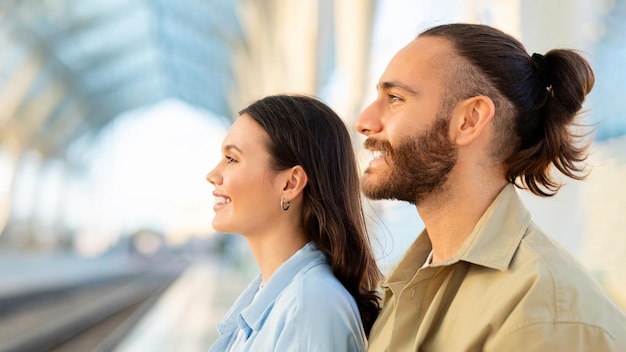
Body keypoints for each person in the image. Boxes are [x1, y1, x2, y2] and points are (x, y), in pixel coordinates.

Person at [355, 23, 626, 351]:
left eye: (395, 98)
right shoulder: (409, 281)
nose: (364, 121)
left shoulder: (543, 312)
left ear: (468, 120)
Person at [206, 94, 381, 351]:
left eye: (232, 159)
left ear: (290, 183)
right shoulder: (281, 298)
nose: (212, 175)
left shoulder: (310, 306)